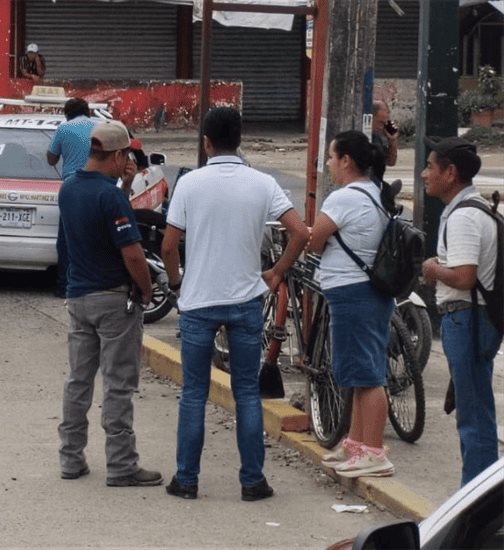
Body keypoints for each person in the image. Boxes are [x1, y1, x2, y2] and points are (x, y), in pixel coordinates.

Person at [161, 107, 308, 501]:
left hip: (198, 303)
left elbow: (169, 245)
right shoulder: (262, 183)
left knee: (194, 393)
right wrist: (276, 272)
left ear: (205, 142)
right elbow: (299, 232)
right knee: (246, 392)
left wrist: (177, 282)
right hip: (246, 302)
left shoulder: (190, 185)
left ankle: (186, 480)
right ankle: (252, 481)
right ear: (240, 139)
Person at [57, 119, 162, 488]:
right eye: (126, 157)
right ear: (117, 155)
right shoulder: (110, 196)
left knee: (78, 381)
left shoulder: (68, 190)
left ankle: (71, 458)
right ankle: (121, 464)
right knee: (118, 384)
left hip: (78, 297)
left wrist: (126, 184)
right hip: (114, 299)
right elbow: (132, 253)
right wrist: (147, 289)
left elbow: (98, 216)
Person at [307, 130, 396, 479]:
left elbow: (315, 241)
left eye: (331, 157)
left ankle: (374, 452)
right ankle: (357, 445)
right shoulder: (374, 193)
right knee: (358, 373)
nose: (329, 164)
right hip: (365, 291)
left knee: (368, 375)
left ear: (346, 160)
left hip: (353, 291)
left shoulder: (344, 199)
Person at [420, 136, 501, 486]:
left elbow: (465, 275)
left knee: (473, 415)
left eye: (430, 167)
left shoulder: (464, 217)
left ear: (450, 173)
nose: (424, 174)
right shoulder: (471, 210)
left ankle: (476, 502)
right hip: (475, 319)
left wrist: (433, 269)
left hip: (466, 319)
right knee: (477, 408)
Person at [47, 98, 97, 298]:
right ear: (88, 111)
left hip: (72, 186)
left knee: (67, 238)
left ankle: (65, 285)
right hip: (97, 184)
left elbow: (51, 159)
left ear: (67, 114)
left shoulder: (63, 128)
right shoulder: (100, 127)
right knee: (96, 234)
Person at [372, 100, 398, 167]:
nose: (388, 112)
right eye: (385, 110)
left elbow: (391, 162)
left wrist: (393, 140)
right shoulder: (366, 134)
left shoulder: (383, 134)